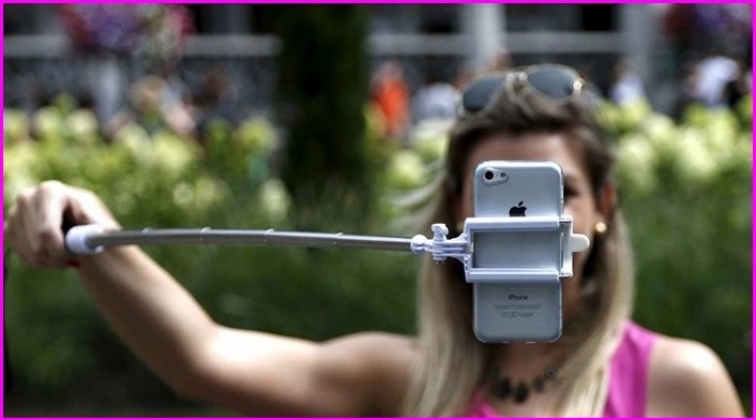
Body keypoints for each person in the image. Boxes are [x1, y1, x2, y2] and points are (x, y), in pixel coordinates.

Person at [4, 63, 744, 417]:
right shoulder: (405, 380)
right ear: (457, 211)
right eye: (498, 198)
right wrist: (89, 228)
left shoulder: (678, 382)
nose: (523, 225)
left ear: (604, 206)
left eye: (558, 196)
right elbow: (202, 358)